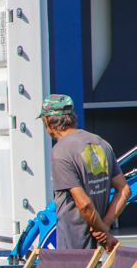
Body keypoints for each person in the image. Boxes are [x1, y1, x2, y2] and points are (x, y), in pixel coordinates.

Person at [40, 94, 131, 251]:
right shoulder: (100, 142)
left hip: (73, 244)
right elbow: (124, 190)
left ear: (47, 121)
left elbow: (84, 203)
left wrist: (102, 231)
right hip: (97, 244)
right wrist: (105, 226)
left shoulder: (61, 151)